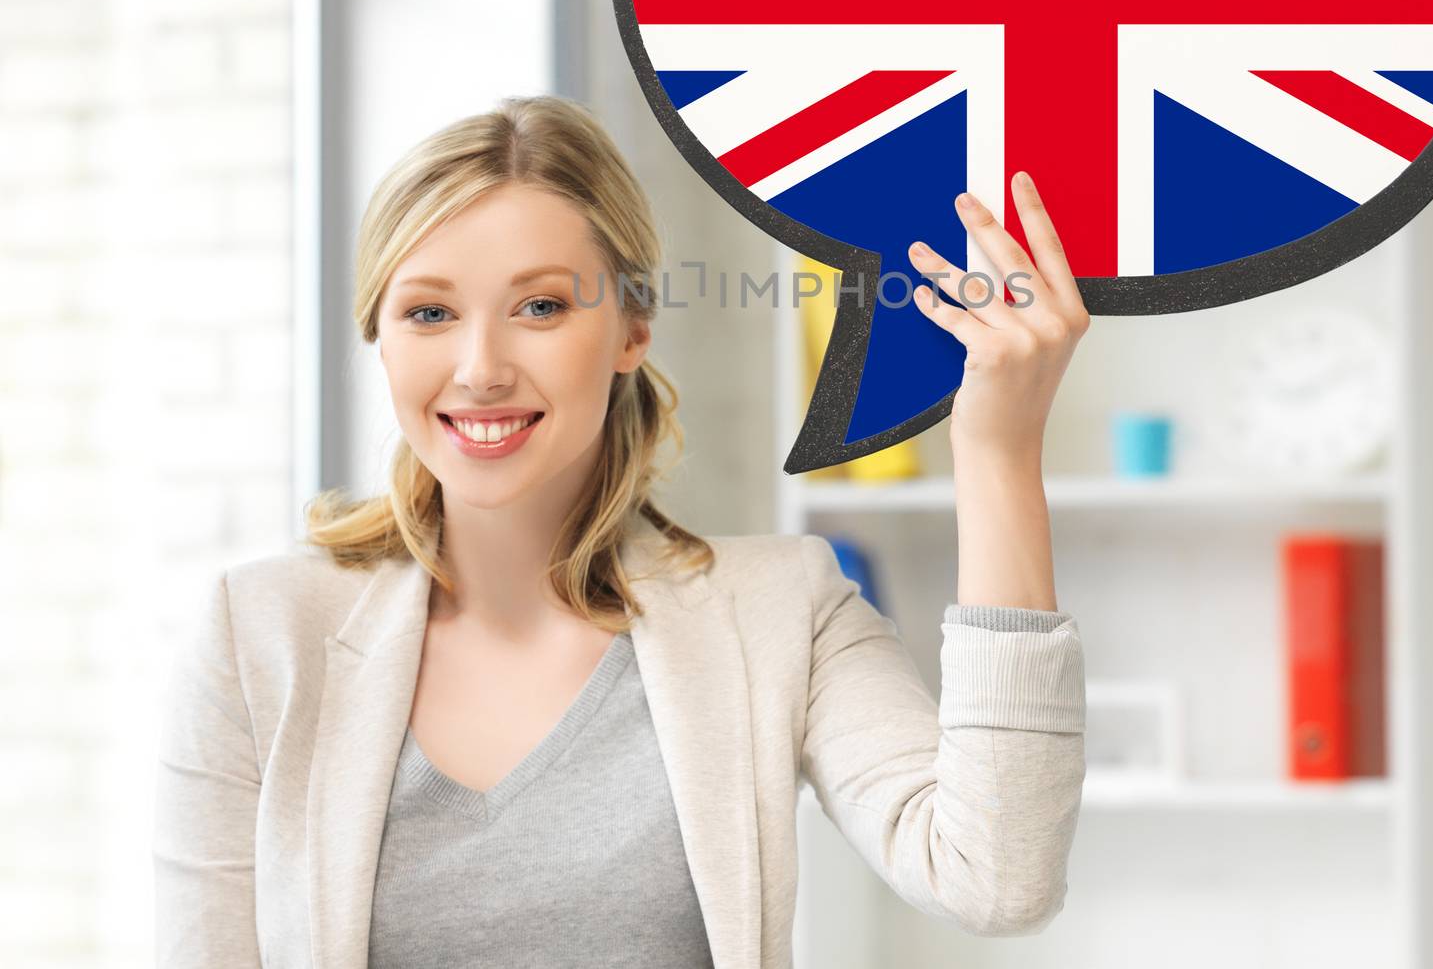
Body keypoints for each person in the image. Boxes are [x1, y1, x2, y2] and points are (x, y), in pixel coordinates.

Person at [152, 94, 1091, 969]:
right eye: (429, 311)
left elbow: (996, 876)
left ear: (632, 328)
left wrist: (999, 450)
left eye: (542, 307)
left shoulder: (783, 609)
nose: (480, 368)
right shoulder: (258, 632)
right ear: (380, 334)